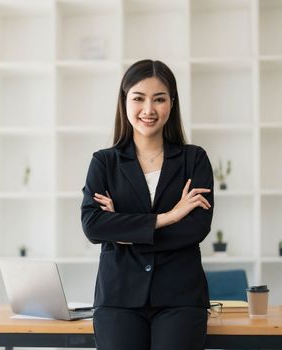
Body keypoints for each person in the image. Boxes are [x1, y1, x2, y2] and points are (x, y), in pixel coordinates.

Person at [80, 59, 214, 350]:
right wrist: (168, 217)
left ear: (172, 103)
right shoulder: (104, 162)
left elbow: (195, 229)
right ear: (124, 101)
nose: (148, 109)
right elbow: (92, 227)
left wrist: (122, 229)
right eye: (138, 98)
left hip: (180, 298)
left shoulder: (195, 159)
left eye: (159, 99)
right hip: (118, 299)